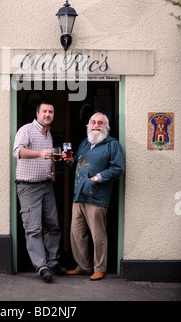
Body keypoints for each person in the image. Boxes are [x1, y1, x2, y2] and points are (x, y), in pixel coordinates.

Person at [64, 112, 124, 281]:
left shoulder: (112, 145)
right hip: (79, 195)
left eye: (100, 122)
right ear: (88, 126)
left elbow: (117, 168)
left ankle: (100, 268)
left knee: (98, 235)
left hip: (97, 196)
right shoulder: (85, 143)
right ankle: (83, 266)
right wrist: (68, 161)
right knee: (76, 234)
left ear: (106, 127)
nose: (96, 125)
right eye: (93, 122)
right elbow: (75, 163)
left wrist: (97, 178)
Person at [13, 100, 66, 283]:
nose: (47, 115)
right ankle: (41, 267)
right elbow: (17, 151)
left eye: (50, 112)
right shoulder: (26, 130)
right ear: (37, 113)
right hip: (28, 187)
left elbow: (49, 153)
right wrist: (39, 153)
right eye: (44, 111)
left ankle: (52, 261)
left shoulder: (48, 133)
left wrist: (51, 173)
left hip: (46, 185)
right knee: (34, 229)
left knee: (53, 225)